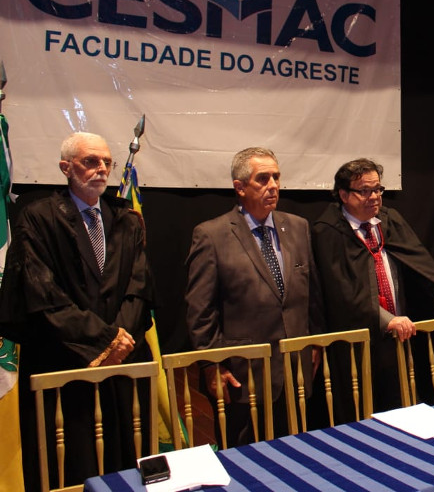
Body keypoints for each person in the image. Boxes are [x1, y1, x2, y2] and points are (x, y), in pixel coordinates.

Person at [0, 132, 153, 490]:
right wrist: (103, 339)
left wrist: (120, 340)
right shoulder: (38, 218)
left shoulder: (126, 220)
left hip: (121, 362)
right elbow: (40, 293)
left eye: (106, 162)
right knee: (70, 465)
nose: (101, 169)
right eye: (90, 161)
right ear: (66, 167)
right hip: (64, 358)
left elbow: (139, 287)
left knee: (123, 459)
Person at [185, 147, 323, 446]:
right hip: (243, 374)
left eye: (276, 177)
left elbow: (312, 292)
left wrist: (314, 342)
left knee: (298, 453)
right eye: (263, 178)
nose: (273, 185)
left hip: (295, 370)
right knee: (246, 458)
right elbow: (200, 309)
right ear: (240, 187)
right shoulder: (211, 234)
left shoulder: (297, 227)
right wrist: (211, 364)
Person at [312, 158, 434, 416]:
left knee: (403, 409)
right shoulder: (328, 231)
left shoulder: (389, 219)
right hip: (359, 343)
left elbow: (422, 266)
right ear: (343, 195)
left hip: (400, 338)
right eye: (365, 191)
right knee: (364, 414)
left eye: (377, 189)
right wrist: (387, 320)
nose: (374, 197)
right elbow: (340, 294)